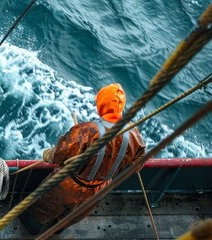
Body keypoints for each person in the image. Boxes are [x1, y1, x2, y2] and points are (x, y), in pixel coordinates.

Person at [19, 83, 146, 235]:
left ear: (102, 105)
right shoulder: (135, 134)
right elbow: (137, 165)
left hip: (69, 185)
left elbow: (60, 154)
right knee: (70, 218)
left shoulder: (87, 131)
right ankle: (56, 231)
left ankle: (31, 229)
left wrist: (49, 154)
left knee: (43, 210)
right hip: (99, 190)